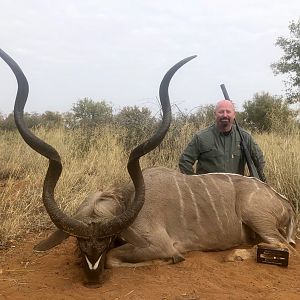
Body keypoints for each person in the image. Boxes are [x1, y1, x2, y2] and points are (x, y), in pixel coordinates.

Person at [178, 100, 266, 181]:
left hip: (236, 192)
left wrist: (249, 182)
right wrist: (196, 184)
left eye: (228, 111)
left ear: (234, 114)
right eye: (221, 112)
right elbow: (185, 161)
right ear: (215, 114)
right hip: (209, 191)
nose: (224, 115)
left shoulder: (245, 137)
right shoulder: (201, 137)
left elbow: (259, 160)